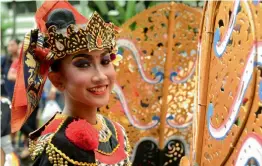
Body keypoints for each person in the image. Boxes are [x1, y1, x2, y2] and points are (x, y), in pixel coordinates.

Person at [11, 1, 130, 166]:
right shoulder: (58, 143)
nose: (101, 76)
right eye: (83, 64)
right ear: (58, 80)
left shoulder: (116, 131)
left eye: (104, 61)